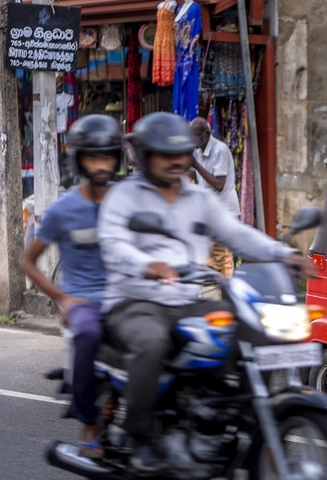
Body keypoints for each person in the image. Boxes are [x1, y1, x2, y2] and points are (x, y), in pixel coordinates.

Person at [97, 112, 313, 475]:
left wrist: (284, 254)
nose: (176, 161)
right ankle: (141, 440)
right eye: (166, 153)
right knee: (151, 343)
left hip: (186, 301)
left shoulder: (198, 198)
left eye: (180, 152)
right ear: (147, 155)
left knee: (237, 333)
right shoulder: (124, 196)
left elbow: (235, 232)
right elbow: (113, 244)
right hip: (135, 301)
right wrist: (148, 265)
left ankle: (216, 421)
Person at [19, 115, 123, 459]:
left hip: (126, 297)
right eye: (93, 158)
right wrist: (62, 299)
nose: (101, 165)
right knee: (89, 334)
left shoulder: (126, 201)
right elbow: (28, 262)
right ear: (80, 161)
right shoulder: (64, 209)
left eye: (107, 157)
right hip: (84, 302)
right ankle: (89, 428)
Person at [188, 117, 240, 277]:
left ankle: (229, 298)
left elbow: (219, 184)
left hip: (225, 212)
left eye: (196, 135)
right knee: (211, 261)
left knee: (223, 261)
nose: (193, 139)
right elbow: (191, 174)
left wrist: (196, 164)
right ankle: (214, 295)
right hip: (209, 213)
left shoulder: (220, 150)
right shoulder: (197, 150)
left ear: (207, 133)